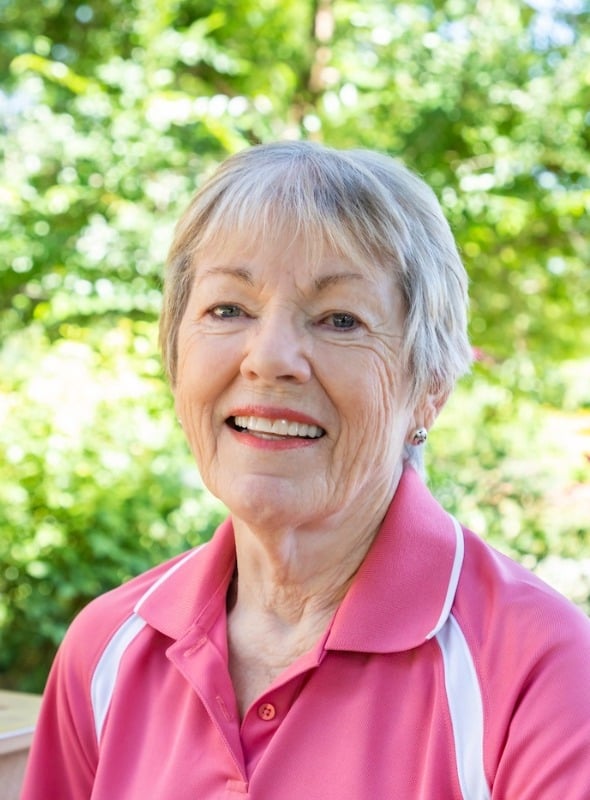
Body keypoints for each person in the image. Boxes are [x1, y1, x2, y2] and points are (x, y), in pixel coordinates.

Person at [21, 141, 590, 800]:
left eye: (339, 319)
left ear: (429, 386)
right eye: (228, 309)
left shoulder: (540, 668)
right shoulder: (107, 649)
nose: (270, 358)